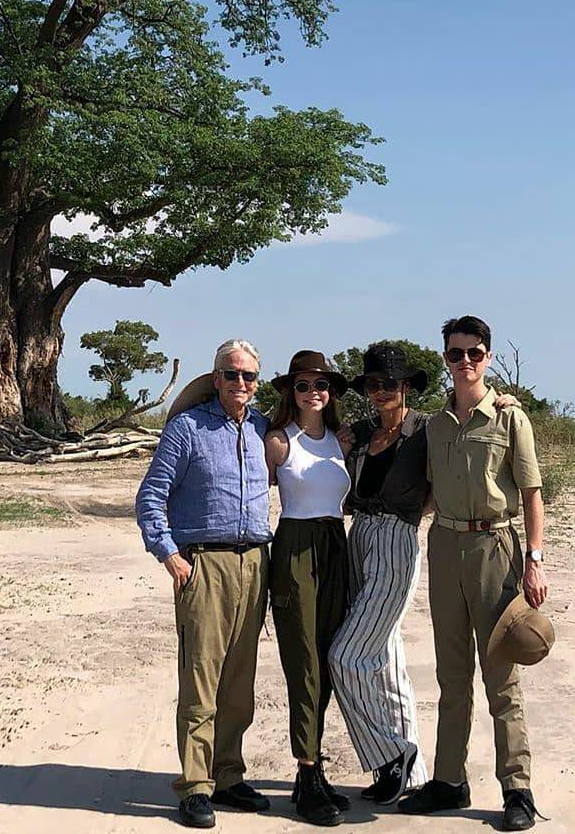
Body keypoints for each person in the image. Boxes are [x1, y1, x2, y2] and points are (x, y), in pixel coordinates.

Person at [329, 345, 518, 805]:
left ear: (407, 387)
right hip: (359, 538)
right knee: (387, 657)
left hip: (398, 538)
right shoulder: (357, 433)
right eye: (372, 384)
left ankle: (394, 754)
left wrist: (505, 402)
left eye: (389, 384)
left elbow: (459, 457)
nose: (380, 393)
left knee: (346, 655)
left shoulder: (426, 431)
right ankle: (411, 775)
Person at [400, 316, 547, 832]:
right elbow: (421, 488)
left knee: (501, 675)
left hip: (496, 547)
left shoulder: (510, 419)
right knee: (451, 672)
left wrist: (534, 559)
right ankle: (448, 781)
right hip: (444, 544)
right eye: (456, 353)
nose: (465, 362)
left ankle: (518, 789)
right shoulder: (434, 424)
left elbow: (532, 493)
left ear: (487, 358)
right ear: (444, 358)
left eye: (475, 353)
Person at [135, 339, 272, 830]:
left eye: (250, 376)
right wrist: (168, 553)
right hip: (203, 565)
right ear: (216, 378)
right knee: (201, 679)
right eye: (232, 374)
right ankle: (195, 785)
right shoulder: (186, 429)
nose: (241, 384)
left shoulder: (262, 429)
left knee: (239, 681)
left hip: (256, 563)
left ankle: (229, 776)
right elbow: (151, 495)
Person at [264, 351, 352, 827]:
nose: (313, 392)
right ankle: (307, 769)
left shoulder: (342, 440)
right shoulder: (278, 441)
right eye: (303, 385)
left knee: (330, 657)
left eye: (321, 384)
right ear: (290, 392)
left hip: (335, 545)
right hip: (295, 546)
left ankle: (309, 776)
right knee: (303, 662)